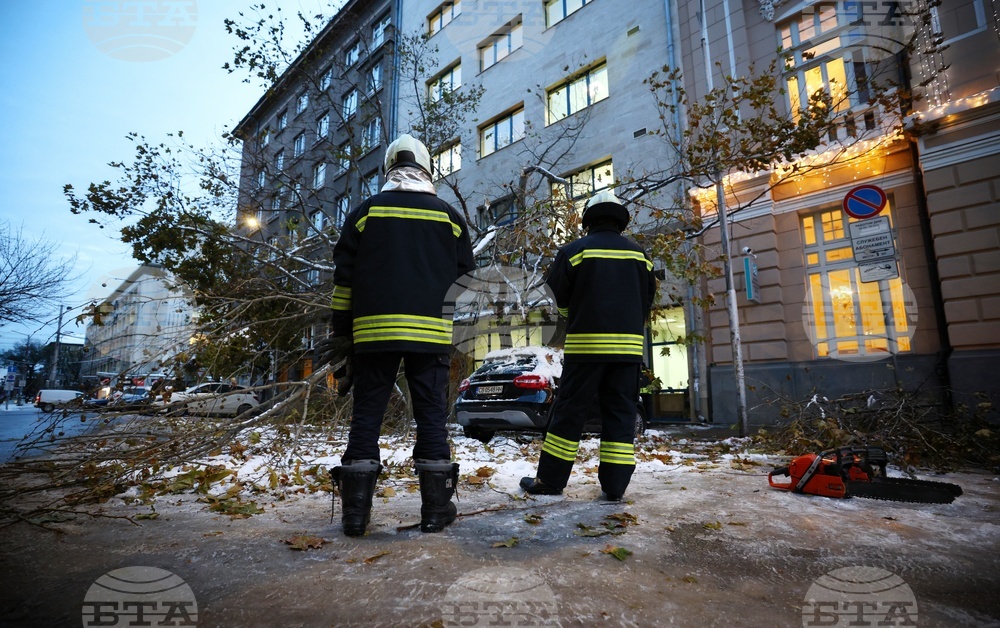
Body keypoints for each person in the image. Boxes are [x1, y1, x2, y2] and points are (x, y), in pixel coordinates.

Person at [315, 134, 475, 536]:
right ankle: (436, 511)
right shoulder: (449, 217)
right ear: (427, 169)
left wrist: (342, 336)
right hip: (431, 335)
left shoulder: (366, 212)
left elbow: (343, 284)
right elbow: (466, 280)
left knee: (366, 417)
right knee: (432, 417)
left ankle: (355, 514)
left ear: (389, 168)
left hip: (373, 332)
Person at [520, 190, 657, 501]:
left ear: (588, 220)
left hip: (586, 347)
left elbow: (556, 298)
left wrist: (576, 315)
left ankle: (550, 480)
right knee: (621, 414)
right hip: (628, 352)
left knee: (569, 412)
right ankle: (615, 485)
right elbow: (646, 300)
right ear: (620, 220)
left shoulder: (574, 251)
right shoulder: (640, 256)